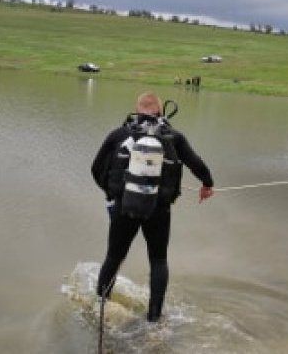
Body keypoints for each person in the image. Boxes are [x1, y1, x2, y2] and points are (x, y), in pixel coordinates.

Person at [91, 92, 214, 322]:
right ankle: (154, 318)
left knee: (114, 257)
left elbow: (96, 167)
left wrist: (112, 194)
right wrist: (207, 185)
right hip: (159, 210)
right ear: (160, 111)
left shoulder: (119, 134)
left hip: (124, 208)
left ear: (137, 110)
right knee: (158, 260)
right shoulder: (174, 138)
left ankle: (100, 307)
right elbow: (197, 164)